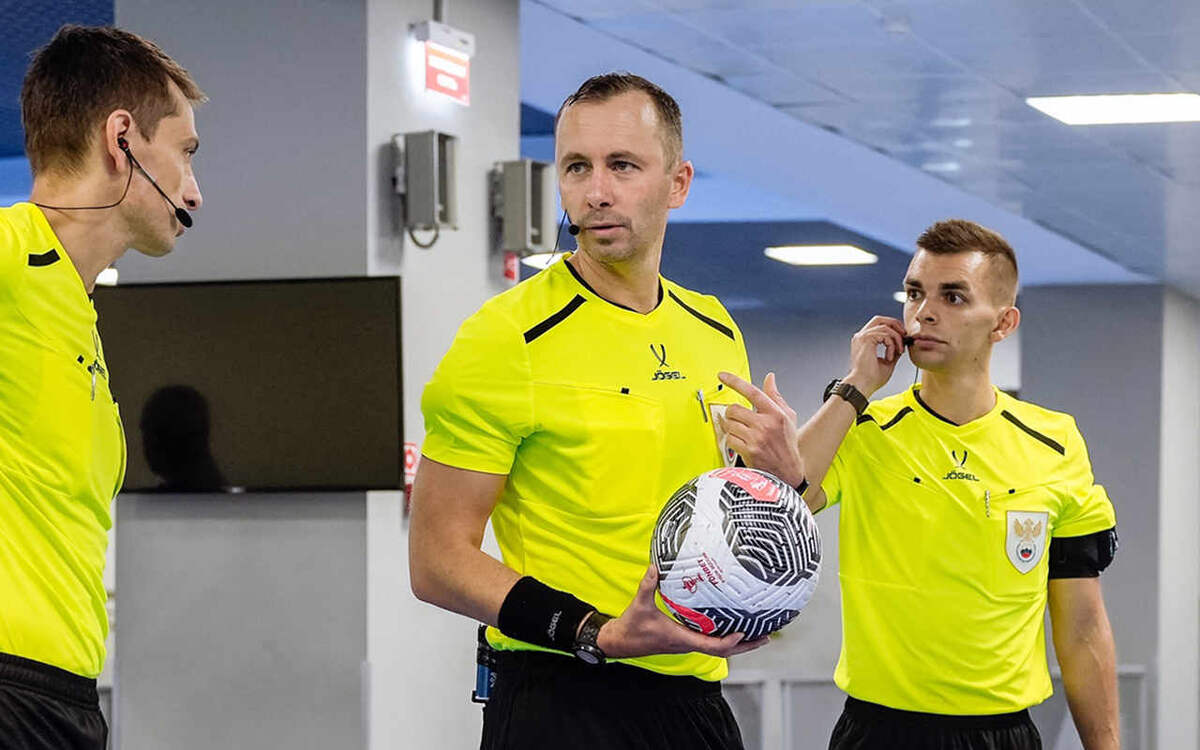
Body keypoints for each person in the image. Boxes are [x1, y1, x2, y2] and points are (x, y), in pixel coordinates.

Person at [409, 73, 770, 749]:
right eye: (577, 167)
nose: (596, 191)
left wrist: (779, 474)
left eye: (622, 165)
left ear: (678, 183)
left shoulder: (716, 330)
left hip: (696, 701)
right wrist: (592, 631)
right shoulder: (505, 337)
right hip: (562, 695)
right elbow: (436, 560)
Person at [721, 219, 1119, 750]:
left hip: (1001, 734)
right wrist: (857, 384)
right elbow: (782, 505)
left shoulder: (1056, 442)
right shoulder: (863, 426)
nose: (924, 312)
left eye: (953, 297)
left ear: (1003, 323)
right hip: (879, 732)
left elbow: (1082, 625)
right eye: (914, 294)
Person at [0, 25, 204, 749]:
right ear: (122, 139)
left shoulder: (76, 309)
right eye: (185, 152)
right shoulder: (10, 256)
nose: (194, 191)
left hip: (63, 698)